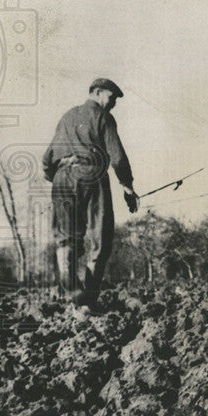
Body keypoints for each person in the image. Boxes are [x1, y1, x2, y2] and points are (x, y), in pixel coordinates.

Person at [43, 78, 138, 308]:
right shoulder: (103, 117)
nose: (113, 103)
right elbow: (117, 157)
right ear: (96, 92)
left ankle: (75, 295)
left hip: (62, 178)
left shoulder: (67, 116)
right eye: (111, 97)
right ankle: (88, 300)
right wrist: (127, 186)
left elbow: (47, 159)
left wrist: (57, 178)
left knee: (66, 239)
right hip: (92, 175)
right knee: (100, 239)